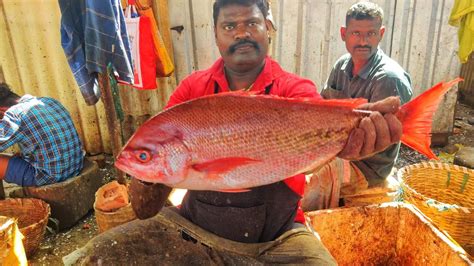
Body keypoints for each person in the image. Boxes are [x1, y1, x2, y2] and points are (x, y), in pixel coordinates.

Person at [68, 0, 402, 264]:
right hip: (194, 230)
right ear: (215, 34)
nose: (241, 33)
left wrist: (351, 142)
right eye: (230, 26)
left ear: (268, 28)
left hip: (279, 237)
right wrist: (145, 172)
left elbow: (321, 150)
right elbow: (145, 209)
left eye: (251, 23)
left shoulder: (295, 90)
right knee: (97, 255)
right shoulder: (190, 92)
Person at [302, 1, 413, 211]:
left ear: (381, 34)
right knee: (290, 167)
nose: (363, 41)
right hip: (336, 147)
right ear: (344, 34)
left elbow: (381, 142)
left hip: (367, 165)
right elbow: (325, 109)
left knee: (303, 188)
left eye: (370, 34)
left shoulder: (388, 78)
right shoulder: (341, 64)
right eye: (356, 33)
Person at [0, 83, 84, 187]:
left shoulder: (15, 114)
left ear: (2, 110)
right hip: (75, 166)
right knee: (16, 155)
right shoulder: (48, 101)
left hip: (50, 176)